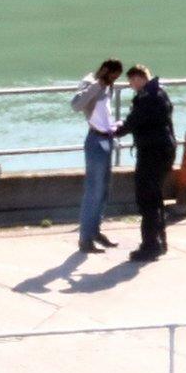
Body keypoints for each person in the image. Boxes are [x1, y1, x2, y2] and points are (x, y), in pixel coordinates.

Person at [114, 65, 177, 262]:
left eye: (132, 81)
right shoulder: (159, 94)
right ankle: (159, 241)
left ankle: (150, 245)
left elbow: (133, 122)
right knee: (155, 196)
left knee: (147, 198)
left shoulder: (148, 98)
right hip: (163, 149)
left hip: (152, 151)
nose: (131, 85)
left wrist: (109, 130)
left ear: (141, 78)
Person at [70, 58, 123, 254]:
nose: (113, 80)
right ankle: (85, 239)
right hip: (95, 141)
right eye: (112, 76)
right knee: (93, 191)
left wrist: (114, 125)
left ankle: (95, 231)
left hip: (107, 138)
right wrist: (97, 85)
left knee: (104, 190)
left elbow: (103, 113)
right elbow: (76, 105)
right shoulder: (90, 82)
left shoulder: (108, 87)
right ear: (104, 70)